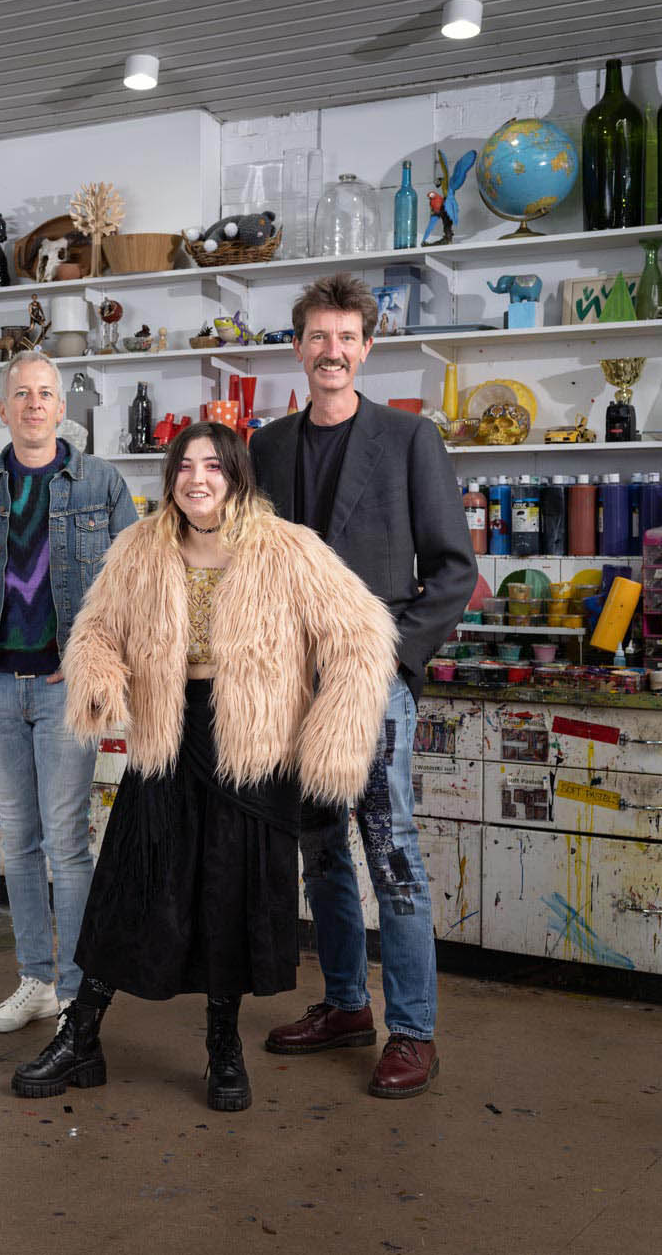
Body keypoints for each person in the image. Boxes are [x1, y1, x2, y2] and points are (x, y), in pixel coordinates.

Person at [12, 422, 397, 1111]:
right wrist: (98, 673)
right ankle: (82, 1036)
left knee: (228, 891)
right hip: (167, 735)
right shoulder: (140, 545)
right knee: (127, 886)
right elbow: (97, 625)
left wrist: (330, 735)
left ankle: (224, 1045)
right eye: (185, 466)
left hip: (250, 748)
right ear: (171, 479)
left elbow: (365, 636)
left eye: (213, 466)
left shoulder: (288, 549)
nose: (197, 478)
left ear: (236, 474)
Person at [249, 273, 475, 1099]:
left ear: (366, 347)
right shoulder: (266, 447)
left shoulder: (410, 441)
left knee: (391, 854)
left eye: (347, 338)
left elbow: (454, 572)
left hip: (371, 684)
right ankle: (346, 1004)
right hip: (289, 684)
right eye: (318, 336)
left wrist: (391, 657)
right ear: (299, 345)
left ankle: (413, 1030)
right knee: (320, 855)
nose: (332, 351)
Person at [0, 349, 136, 1033]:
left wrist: (95, 663)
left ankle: (78, 993)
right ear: (3, 408)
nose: (34, 404)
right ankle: (36, 981)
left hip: (64, 691)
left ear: (61, 405)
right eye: (21, 394)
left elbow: (131, 589)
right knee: (18, 838)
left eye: (45, 393)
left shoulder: (101, 483)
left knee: (67, 843)